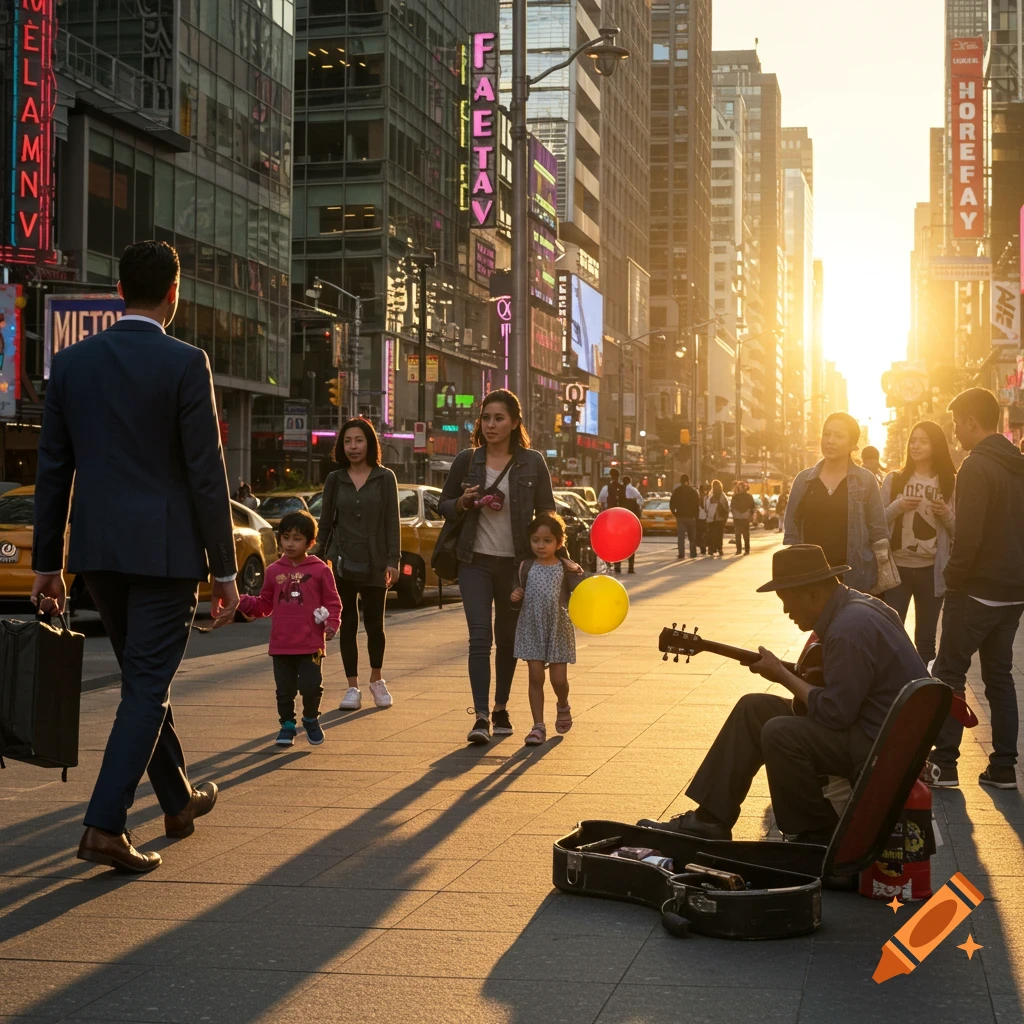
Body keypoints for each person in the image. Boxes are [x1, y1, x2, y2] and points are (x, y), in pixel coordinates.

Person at [31, 240, 238, 874]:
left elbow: (52, 472)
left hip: (98, 553)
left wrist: (48, 564)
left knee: (143, 682)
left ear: (119, 291)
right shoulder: (185, 362)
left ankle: (177, 801)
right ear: (174, 295)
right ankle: (103, 825)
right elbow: (207, 473)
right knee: (147, 686)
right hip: (167, 553)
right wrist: (226, 571)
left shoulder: (70, 365)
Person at [637, 545, 927, 842]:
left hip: (878, 743)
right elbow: (842, 684)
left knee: (781, 732)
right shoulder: (862, 606)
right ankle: (710, 819)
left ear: (813, 594)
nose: (786, 611)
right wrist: (785, 673)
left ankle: (816, 834)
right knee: (753, 709)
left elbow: (835, 713)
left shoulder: (847, 629)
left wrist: (781, 675)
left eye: (787, 601)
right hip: (879, 727)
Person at [438, 389, 559, 745]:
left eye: (499, 418)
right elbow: (442, 504)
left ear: (514, 422)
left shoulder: (533, 462)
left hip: (515, 565)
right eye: (486, 418)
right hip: (473, 561)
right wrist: (461, 503)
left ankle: (501, 707)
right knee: (480, 637)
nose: (490, 425)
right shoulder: (467, 460)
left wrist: (550, 553)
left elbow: (547, 512)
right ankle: (479, 717)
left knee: (507, 639)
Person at [928, 388, 1024, 791]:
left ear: (971, 420)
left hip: (976, 590)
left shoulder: (975, 466)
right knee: (999, 676)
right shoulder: (1018, 464)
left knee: (949, 672)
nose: (954, 432)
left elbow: (968, 537)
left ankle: (944, 764)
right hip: (1014, 591)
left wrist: (953, 579)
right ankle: (1003, 766)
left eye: (956, 423)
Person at [225, 510, 341, 747]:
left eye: (297, 539)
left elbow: (332, 602)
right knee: (284, 690)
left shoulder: (320, 570)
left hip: (310, 643)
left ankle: (310, 718)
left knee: (311, 687)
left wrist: (331, 624)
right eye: (286, 537)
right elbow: (265, 603)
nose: (289, 543)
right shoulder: (274, 570)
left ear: (310, 542)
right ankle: (287, 725)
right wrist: (242, 601)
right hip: (281, 643)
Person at [317, 418, 400, 711]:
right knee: (348, 623)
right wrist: (316, 557)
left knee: (375, 624)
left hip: (377, 561)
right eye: (348, 441)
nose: (353, 447)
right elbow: (325, 522)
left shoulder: (385, 477)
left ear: (369, 443)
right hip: (342, 561)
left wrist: (394, 560)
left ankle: (377, 680)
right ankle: (352, 687)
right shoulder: (335, 479)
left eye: (359, 440)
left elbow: (392, 521)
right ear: (342, 446)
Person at [784, 412, 888, 593]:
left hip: (855, 574)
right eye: (826, 434)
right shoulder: (803, 480)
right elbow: (792, 527)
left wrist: (879, 574)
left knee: (851, 621)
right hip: (812, 576)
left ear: (853, 444)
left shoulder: (865, 480)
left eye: (839, 436)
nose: (830, 441)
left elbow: (878, 529)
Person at [880, 421, 957, 665]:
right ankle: (892, 688)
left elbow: (960, 530)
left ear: (936, 445)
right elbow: (877, 522)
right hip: (896, 570)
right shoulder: (895, 480)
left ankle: (923, 690)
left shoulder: (949, 483)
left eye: (923, 441)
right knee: (892, 633)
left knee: (926, 640)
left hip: (932, 570)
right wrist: (898, 506)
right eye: (913, 440)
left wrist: (945, 512)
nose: (915, 445)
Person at [510, 513, 584, 746]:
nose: (540, 545)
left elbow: (583, 592)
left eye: (547, 540)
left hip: (558, 626)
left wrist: (578, 571)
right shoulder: (526, 566)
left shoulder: (565, 567)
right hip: (532, 625)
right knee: (535, 676)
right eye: (535, 540)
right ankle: (538, 726)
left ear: (559, 542)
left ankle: (563, 704)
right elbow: (518, 591)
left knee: (559, 680)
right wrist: (515, 595)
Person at [598, 468, 630, 573]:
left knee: (609, 539)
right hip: (621, 518)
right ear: (619, 476)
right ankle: (618, 564)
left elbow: (601, 500)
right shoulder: (624, 488)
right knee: (620, 540)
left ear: (611, 476)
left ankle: (609, 561)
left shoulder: (606, 488)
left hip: (610, 518)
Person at [670, 474, 701, 559]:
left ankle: (681, 553)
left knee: (681, 536)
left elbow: (671, 504)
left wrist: (675, 513)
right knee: (692, 537)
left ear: (681, 481)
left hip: (680, 516)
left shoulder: (677, 491)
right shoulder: (693, 491)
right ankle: (693, 553)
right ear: (688, 481)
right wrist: (696, 515)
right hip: (691, 517)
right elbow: (697, 504)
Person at [619, 476, 644, 573]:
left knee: (620, 544)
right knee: (631, 544)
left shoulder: (617, 492)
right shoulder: (634, 492)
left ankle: (618, 566)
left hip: (620, 523)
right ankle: (630, 567)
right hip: (630, 524)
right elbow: (641, 501)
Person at [703, 480, 729, 557]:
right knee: (719, 534)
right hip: (721, 518)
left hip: (712, 518)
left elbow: (706, 506)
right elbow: (726, 507)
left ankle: (711, 549)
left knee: (711, 534)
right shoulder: (722, 495)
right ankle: (719, 548)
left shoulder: (711, 495)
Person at [731, 481, 755, 555]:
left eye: (742, 487)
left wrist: (749, 514)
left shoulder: (748, 496)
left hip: (744, 518)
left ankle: (747, 550)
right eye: (739, 487)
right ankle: (739, 549)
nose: (741, 489)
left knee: (745, 535)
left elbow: (752, 507)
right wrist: (735, 513)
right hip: (738, 518)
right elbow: (732, 507)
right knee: (738, 535)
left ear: (745, 488)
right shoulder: (735, 496)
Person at [696, 483, 710, 554]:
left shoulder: (697, 498)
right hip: (705, 519)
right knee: (705, 533)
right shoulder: (707, 498)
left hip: (698, 519)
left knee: (699, 534)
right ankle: (704, 546)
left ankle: (702, 547)